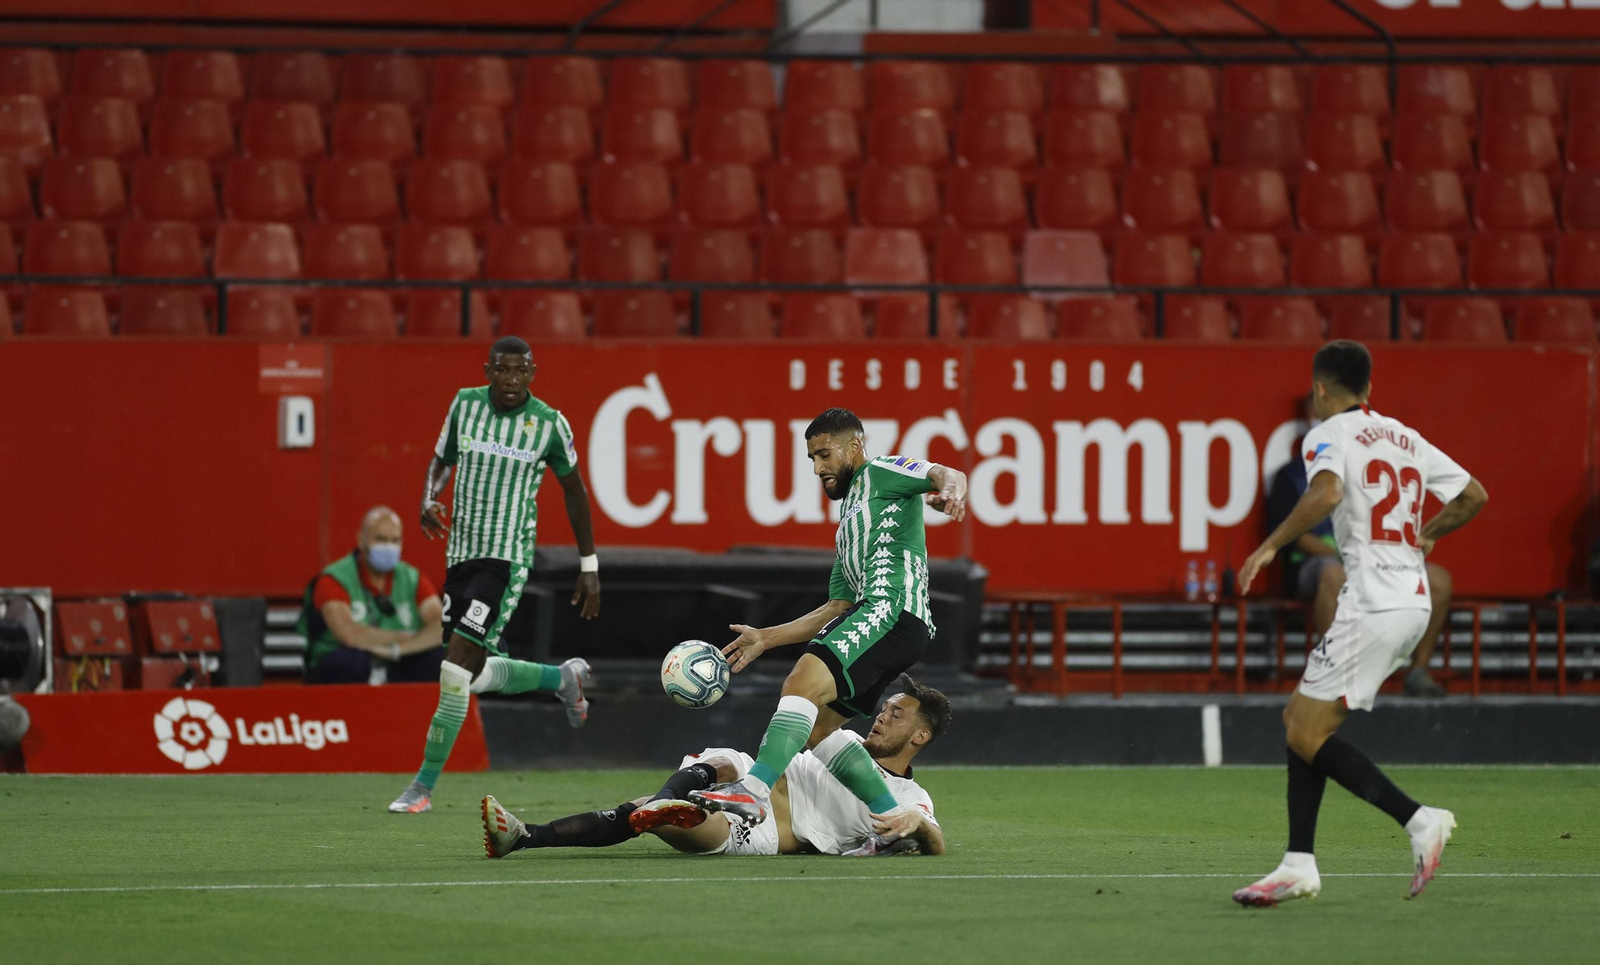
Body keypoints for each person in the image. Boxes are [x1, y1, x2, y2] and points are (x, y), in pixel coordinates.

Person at [1234, 340, 1488, 907]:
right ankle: (1298, 863)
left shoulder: (1325, 434)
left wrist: (1272, 545)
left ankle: (1420, 821)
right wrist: (1428, 534)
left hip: (1373, 600)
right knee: (1302, 718)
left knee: (1304, 730)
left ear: (1321, 389)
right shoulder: (1405, 436)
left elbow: (1326, 492)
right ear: (1369, 388)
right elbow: (1474, 495)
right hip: (1411, 599)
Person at [686, 408, 967, 828]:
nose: (818, 468)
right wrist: (765, 638)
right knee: (815, 730)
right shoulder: (849, 523)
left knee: (802, 682)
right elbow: (835, 608)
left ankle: (755, 791)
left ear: (854, 446)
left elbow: (948, 474)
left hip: (890, 610)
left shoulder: (882, 472)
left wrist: (950, 492)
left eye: (824, 455)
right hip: (894, 625)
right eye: (813, 459)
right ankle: (891, 818)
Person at [389, 336, 603, 815]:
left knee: (453, 667)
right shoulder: (464, 404)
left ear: (532, 372)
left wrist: (588, 565)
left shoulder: (549, 423)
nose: (510, 381)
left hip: (505, 558)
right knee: (473, 673)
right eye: (502, 371)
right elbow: (441, 461)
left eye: (519, 372)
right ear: (488, 370)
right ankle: (561, 678)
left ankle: (422, 787)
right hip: (460, 554)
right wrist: (427, 497)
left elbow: (574, 491)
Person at [480, 677, 951, 859]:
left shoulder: (909, 799)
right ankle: (672, 798)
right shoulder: (841, 739)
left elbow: (933, 839)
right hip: (760, 783)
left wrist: (919, 827)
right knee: (723, 758)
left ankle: (525, 836)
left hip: (781, 829)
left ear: (920, 737)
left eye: (897, 713)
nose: (883, 715)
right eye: (885, 706)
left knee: (661, 817)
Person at [1266, 398, 1452, 698]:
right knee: (1333, 576)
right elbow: (1296, 538)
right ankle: (1335, 676)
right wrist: (1347, 554)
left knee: (1439, 581)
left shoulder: (1373, 466)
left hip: (1375, 559)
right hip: (1316, 564)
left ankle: (1417, 672)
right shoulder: (1292, 475)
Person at [300, 506, 445, 684]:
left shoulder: (412, 579)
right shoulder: (334, 579)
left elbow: (441, 625)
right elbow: (349, 634)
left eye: (395, 540)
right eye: (380, 539)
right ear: (361, 540)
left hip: (398, 660)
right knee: (351, 661)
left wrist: (398, 650)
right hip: (343, 669)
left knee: (442, 657)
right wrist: (401, 638)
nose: (388, 547)